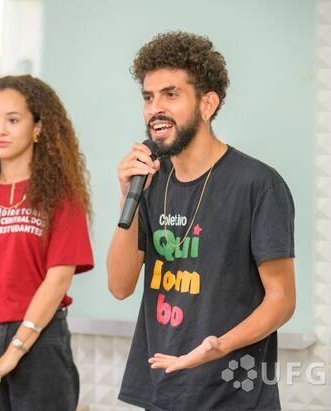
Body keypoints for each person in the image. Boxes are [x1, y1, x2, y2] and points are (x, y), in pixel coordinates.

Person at [107, 31, 296, 410]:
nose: (155, 109)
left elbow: (282, 299)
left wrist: (217, 347)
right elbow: (120, 286)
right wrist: (127, 196)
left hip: (234, 394)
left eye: (170, 94)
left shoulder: (258, 184)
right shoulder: (150, 181)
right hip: (162, 389)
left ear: (207, 104)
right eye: (148, 97)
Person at [0, 75, 93, 411]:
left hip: (39, 340)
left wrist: (14, 353)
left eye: (13, 120)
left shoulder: (62, 198)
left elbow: (58, 280)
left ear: (38, 127)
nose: (0, 130)